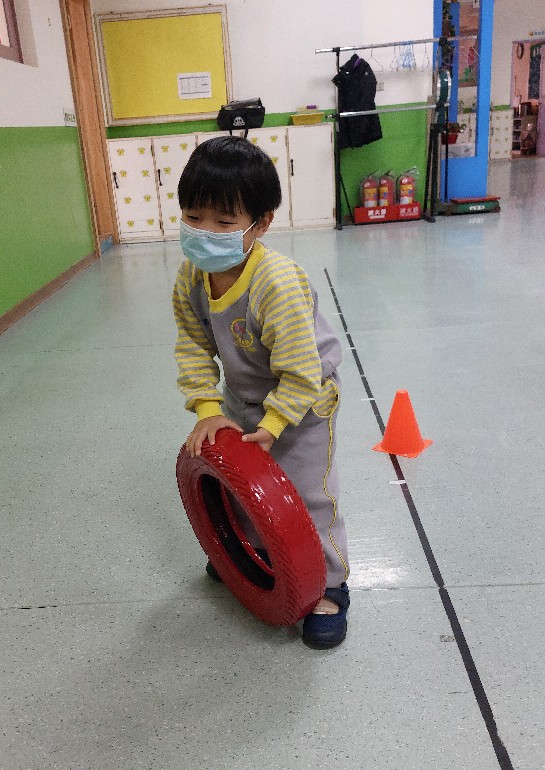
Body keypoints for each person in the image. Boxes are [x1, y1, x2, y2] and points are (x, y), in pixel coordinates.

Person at [172, 136, 350, 649]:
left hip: (304, 402)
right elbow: (192, 346)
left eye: (224, 222)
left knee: (307, 494)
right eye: (193, 217)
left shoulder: (277, 284)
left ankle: (330, 584)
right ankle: (252, 553)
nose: (205, 232)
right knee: (245, 487)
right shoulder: (191, 277)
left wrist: (273, 427)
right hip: (244, 396)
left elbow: (302, 373)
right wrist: (208, 409)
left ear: (261, 223)